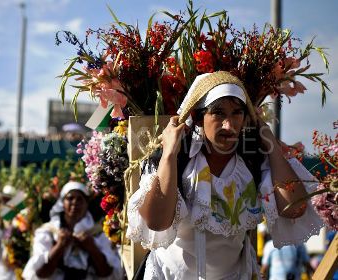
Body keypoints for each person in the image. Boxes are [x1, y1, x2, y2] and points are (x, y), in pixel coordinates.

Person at [126, 71, 324, 279]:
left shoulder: (253, 159)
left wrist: (272, 146)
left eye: (237, 113)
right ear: (198, 118)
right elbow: (157, 222)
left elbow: (295, 208)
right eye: (218, 113)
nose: (229, 125)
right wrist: (168, 154)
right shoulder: (179, 157)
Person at [22, 181, 123, 280]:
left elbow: (108, 273)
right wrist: (60, 246)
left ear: (86, 203)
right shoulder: (47, 232)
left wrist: (92, 248)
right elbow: (39, 274)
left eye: (80, 199)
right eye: (70, 198)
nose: (75, 202)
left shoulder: (98, 233)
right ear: (62, 202)